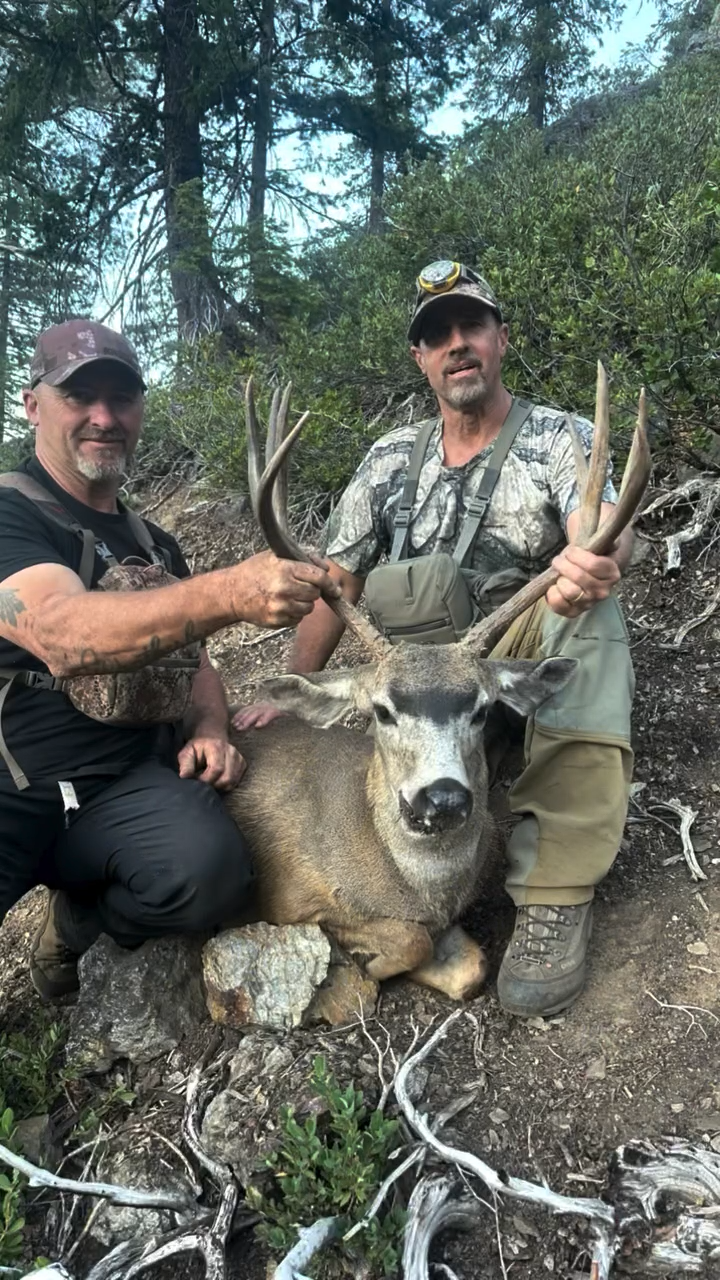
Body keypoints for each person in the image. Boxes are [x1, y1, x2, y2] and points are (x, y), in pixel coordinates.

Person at [234, 262, 635, 1019]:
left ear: (500, 339)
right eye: (437, 335)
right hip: (413, 694)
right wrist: (290, 693)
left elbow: (600, 532)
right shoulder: (389, 461)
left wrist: (596, 560)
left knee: (584, 612)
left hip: (504, 671)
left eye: (471, 327)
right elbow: (335, 584)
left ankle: (555, 888)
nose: (457, 346)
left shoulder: (558, 439)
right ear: (420, 357)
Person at [0, 319, 339, 1001]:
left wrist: (210, 728)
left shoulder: (154, 545)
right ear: (33, 405)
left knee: (209, 873)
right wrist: (230, 591)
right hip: (16, 781)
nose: (104, 417)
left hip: (124, 785)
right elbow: (63, 634)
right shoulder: (11, 513)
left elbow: (197, 666)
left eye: (121, 399)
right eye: (79, 397)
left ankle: (79, 922)